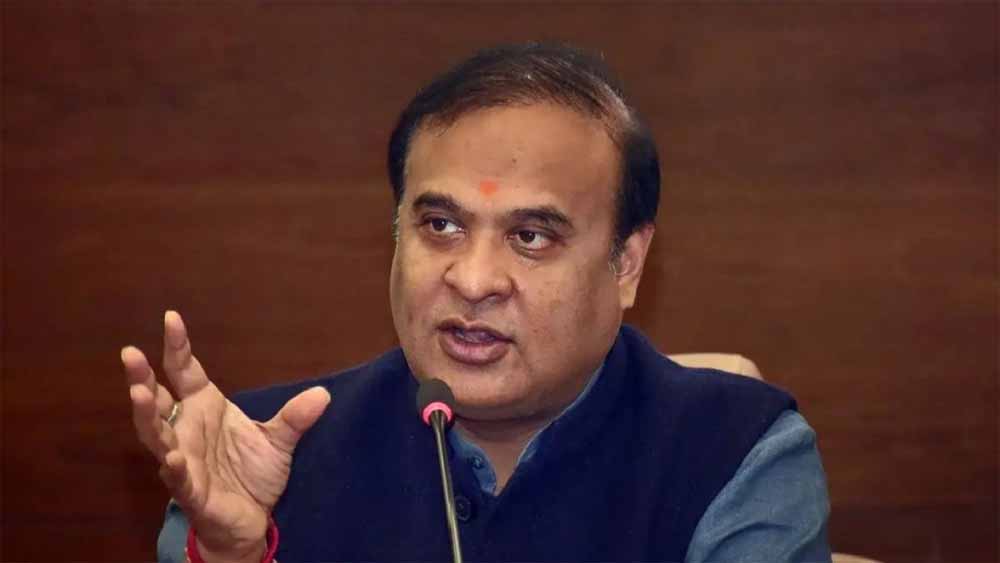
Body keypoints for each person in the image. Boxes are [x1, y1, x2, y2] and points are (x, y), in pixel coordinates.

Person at [123, 43, 831, 563]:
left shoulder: (737, 453)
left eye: (530, 236)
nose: (473, 278)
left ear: (626, 263)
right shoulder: (259, 455)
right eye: (441, 226)